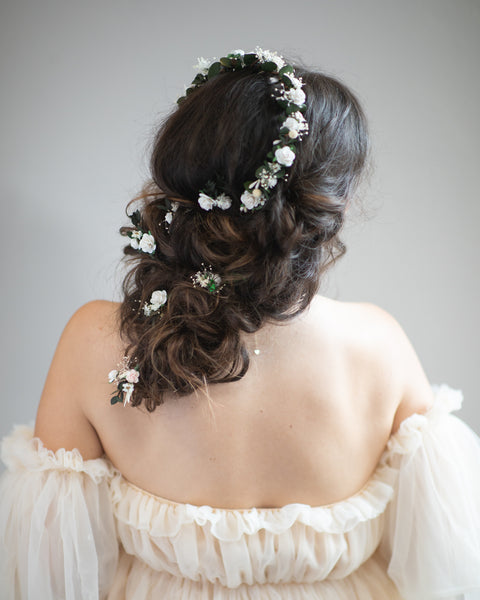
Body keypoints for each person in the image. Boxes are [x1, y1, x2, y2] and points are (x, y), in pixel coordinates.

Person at [1, 48, 479, 600]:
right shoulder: (380, 346)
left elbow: (52, 575)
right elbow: (438, 570)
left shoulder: (93, 342)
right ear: (330, 206)